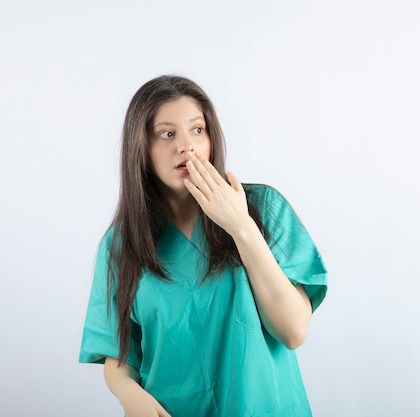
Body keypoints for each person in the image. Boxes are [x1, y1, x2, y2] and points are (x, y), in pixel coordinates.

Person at [79, 75, 328, 417]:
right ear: (142, 149)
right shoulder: (122, 244)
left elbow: (293, 330)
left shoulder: (263, 208)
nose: (187, 146)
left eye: (197, 130)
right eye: (167, 134)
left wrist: (241, 227)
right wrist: (128, 394)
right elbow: (119, 356)